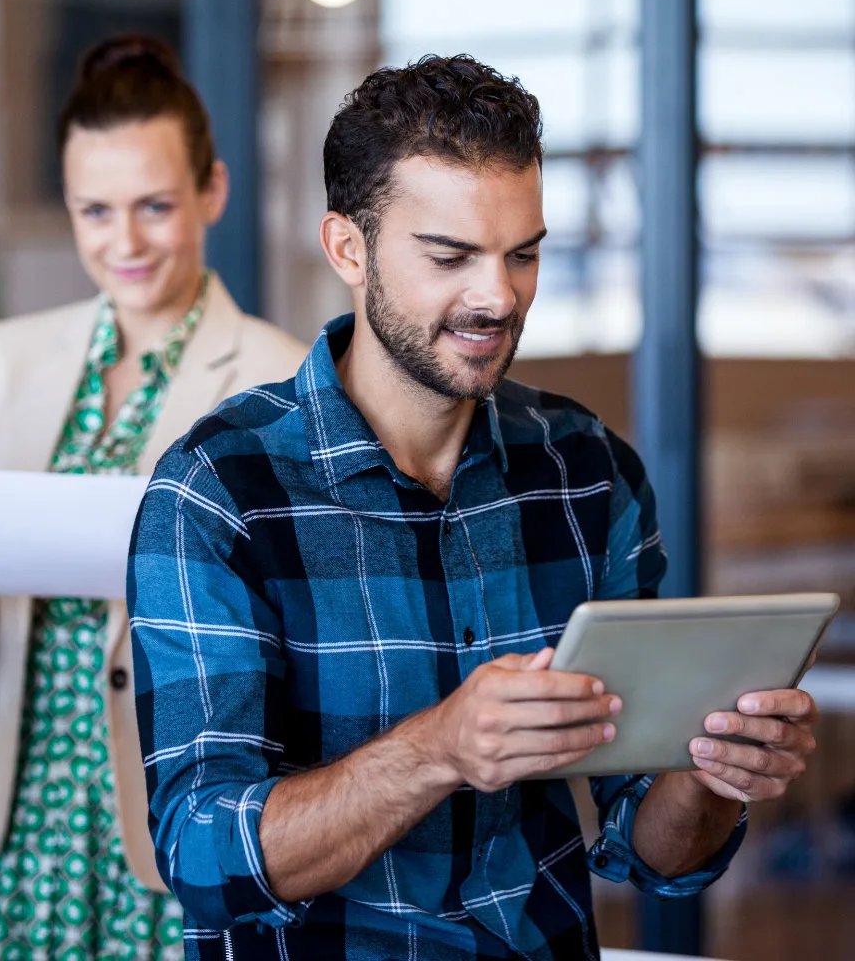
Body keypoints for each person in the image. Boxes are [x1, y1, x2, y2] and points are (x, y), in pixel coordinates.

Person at [127, 56, 819, 960]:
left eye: (522, 253)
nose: (498, 296)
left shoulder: (586, 469)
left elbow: (651, 849)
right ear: (348, 248)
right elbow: (200, 853)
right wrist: (438, 750)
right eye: (450, 256)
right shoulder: (218, 490)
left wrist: (713, 775)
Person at [0, 34, 306, 960]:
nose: (123, 242)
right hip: (16, 821)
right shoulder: (5, 360)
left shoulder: (282, 380)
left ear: (213, 192)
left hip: (181, 820)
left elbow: (303, 631)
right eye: (95, 211)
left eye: (154, 206)